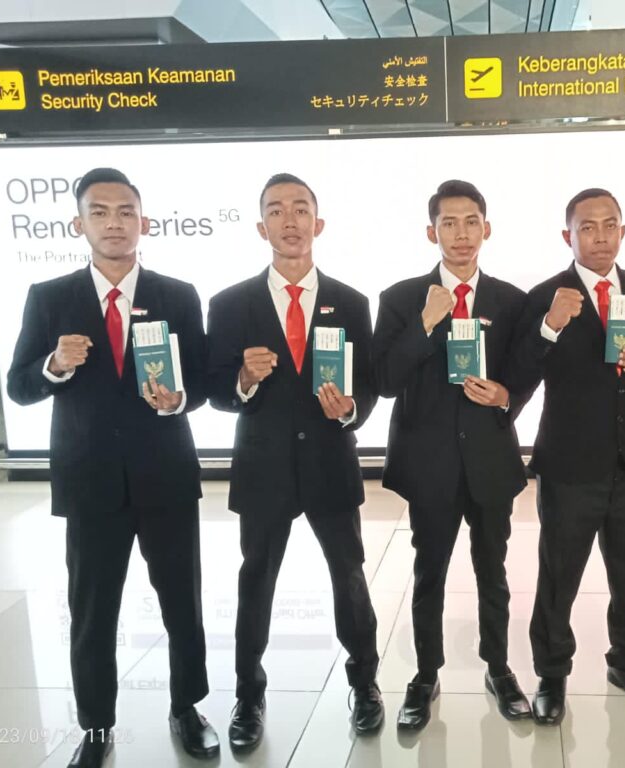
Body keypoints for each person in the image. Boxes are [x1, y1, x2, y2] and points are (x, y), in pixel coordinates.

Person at [6, 167, 217, 767]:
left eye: (125, 211)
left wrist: (177, 400)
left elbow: (202, 381)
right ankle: (96, 728)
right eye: (99, 212)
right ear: (79, 224)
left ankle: (186, 706)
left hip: (165, 475)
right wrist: (53, 365)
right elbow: (19, 386)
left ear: (143, 222)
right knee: (92, 613)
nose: (114, 223)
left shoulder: (178, 294)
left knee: (183, 604)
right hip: (90, 479)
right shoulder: (50, 297)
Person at [205, 173, 383, 750]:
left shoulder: (351, 302)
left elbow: (369, 385)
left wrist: (351, 408)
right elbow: (214, 389)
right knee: (256, 581)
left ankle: (365, 683)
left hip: (330, 464)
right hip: (264, 468)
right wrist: (242, 379)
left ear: (318, 223)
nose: (290, 220)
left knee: (350, 577)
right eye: (277, 210)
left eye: (300, 209)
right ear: (262, 228)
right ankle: (248, 696)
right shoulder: (230, 304)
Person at [509, 188, 625, 725]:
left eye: (610, 226)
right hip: (570, 464)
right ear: (568, 236)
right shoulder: (544, 296)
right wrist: (549, 326)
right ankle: (551, 674)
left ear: (622, 232)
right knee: (558, 576)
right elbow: (519, 372)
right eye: (587, 227)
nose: (600, 236)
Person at [372, 180, 532, 731]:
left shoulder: (511, 300)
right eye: (448, 223)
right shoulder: (400, 298)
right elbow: (385, 380)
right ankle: (425, 675)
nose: (461, 234)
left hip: (490, 459)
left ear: (486, 229)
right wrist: (425, 321)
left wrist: (506, 395)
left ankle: (499, 668)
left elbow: (523, 374)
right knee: (429, 573)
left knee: (494, 571)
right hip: (429, 464)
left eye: (471, 222)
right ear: (431, 232)